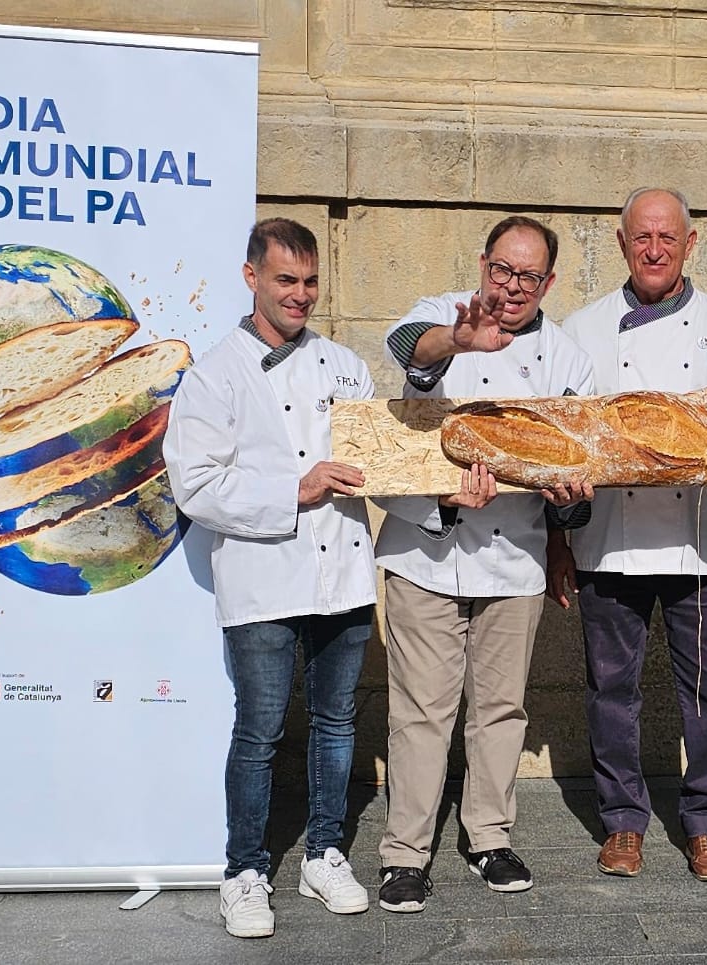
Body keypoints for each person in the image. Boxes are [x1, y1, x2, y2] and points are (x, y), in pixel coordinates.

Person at [373, 216, 595, 913]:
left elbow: (573, 466)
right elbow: (408, 349)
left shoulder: (566, 357)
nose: (512, 287)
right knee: (420, 712)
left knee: (501, 709)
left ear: (549, 283)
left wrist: (567, 500)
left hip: (514, 558)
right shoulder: (445, 314)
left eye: (528, 276)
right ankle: (405, 853)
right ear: (483, 262)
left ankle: (489, 837)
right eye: (502, 270)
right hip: (425, 548)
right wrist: (459, 342)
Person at [164, 218, 377, 939]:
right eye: (286, 279)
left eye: (311, 281)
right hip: (260, 576)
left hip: (344, 574)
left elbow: (378, 456)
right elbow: (194, 484)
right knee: (259, 730)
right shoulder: (213, 374)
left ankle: (323, 851)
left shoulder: (347, 366)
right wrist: (295, 487)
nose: (301, 295)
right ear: (251, 276)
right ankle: (245, 869)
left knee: (337, 720)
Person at [549, 187, 707, 882]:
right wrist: (560, 531)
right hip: (609, 540)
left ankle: (706, 825)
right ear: (620, 242)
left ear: (690, 244)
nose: (654, 249)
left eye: (668, 237)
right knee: (612, 690)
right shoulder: (578, 331)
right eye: (642, 236)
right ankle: (622, 823)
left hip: (702, 543)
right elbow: (565, 445)